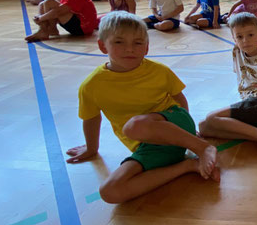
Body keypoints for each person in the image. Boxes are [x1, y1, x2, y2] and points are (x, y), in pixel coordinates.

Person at [65, 11, 220, 204]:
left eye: (137, 43)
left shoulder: (159, 71)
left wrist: (188, 135)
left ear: (146, 48)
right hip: (149, 147)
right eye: (119, 42)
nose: (129, 49)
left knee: (134, 126)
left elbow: (179, 99)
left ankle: (202, 148)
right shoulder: (91, 86)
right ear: (103, 46)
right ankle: (187, 166)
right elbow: (91, 118)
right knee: (110, 192)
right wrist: (91, 148)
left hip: (174, 124)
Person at [199, 12, 257, 161]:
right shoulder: (237, 51)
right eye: (239, 37)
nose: (245, 41)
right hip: (251, 106)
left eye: (250, 35)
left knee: (211, 117)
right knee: (203, 128)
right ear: (234, 39)